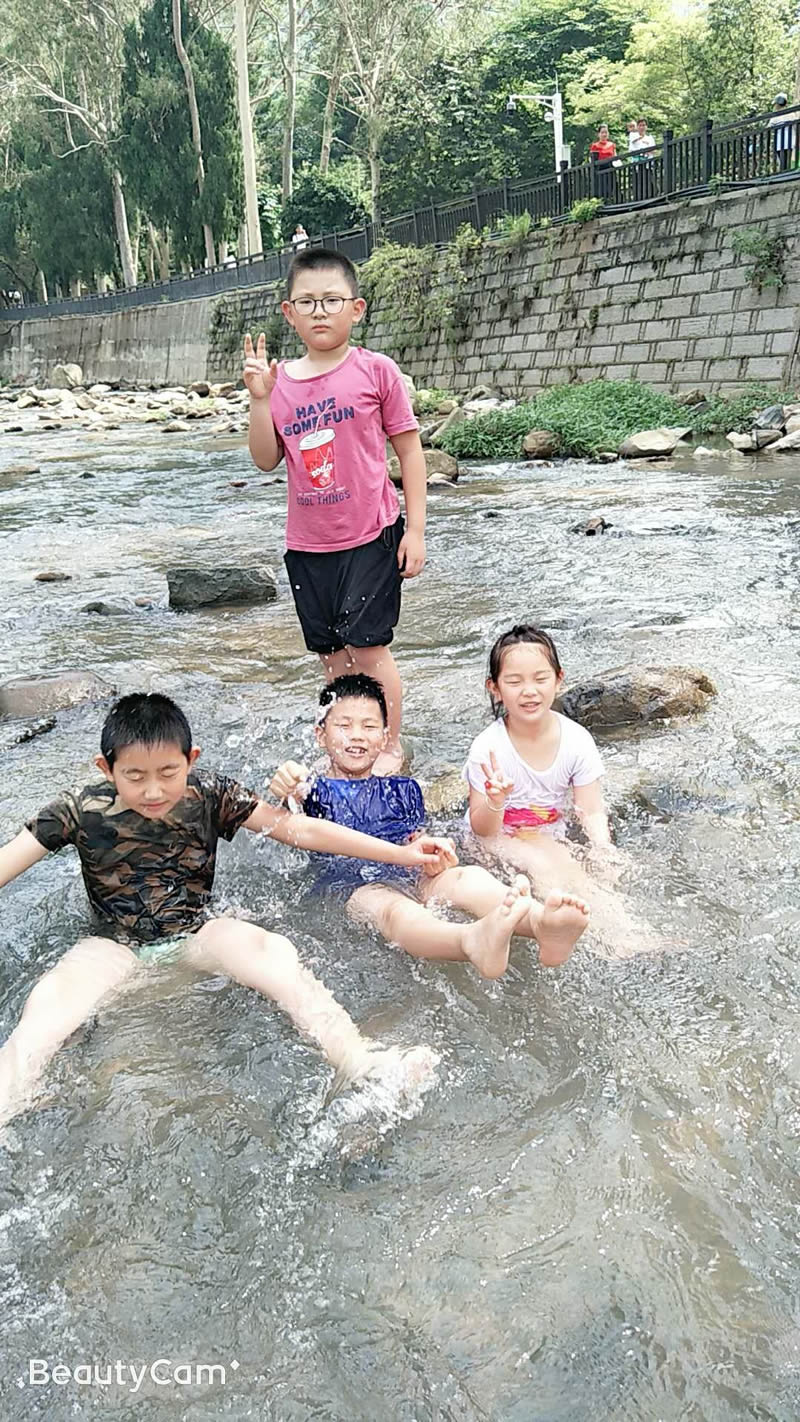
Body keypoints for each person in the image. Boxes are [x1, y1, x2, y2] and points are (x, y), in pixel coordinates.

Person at [0, 693, 456, 1128]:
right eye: (135, 776)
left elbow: (299, 829)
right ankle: (9, 1098)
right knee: (51, 999)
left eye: (168, 772)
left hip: (195, 937)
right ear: (106, 768)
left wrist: (402, 854)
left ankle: (358, 1060)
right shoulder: (79, 808)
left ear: (191, 760)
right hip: (115, 947)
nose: (154, 790)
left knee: (268, 948)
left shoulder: (209, 793)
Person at [269, 673, 590, 979]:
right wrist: (287, 784)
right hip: (352, 887)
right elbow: (290, 812)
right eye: (344, 725)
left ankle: (541, 923)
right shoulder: (313, 789)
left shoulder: (403, 789)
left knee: (466, 877)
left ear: (384, 738)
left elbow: (416, 841)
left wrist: (436, 858)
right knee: (395, 911)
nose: (356, 735)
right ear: (321, 735)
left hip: (409, 873)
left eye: (369, 726)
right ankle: (471, 940)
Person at [243, 247, 427, 774]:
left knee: (368, 650)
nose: (319, 311)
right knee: (332, 656)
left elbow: (410, 451)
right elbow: (264, 459)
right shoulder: (277, 381)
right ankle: (347, 746)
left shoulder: (377, 371)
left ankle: (388, 746)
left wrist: (415, 530)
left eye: (332, 300)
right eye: (307, 302)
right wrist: (259, 399)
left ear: (357, 308)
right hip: (307, 544)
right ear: (289, 312)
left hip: (371, 534)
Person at [464, 626, 657, 958]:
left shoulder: (576, 740)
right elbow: (482, 829)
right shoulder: (487, 748)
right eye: (514, 682)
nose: (529, 691)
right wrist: (496, 801)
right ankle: (613, 938)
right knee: (550, 865)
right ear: (494, 689)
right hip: (496, 837)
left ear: (559, 680)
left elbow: (590, 808)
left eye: (540, 679)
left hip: (547, 831)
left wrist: (601, 846)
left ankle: (623, 928)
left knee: (600, 871)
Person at [768, 94, 794, 172]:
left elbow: (768, 127)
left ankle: (784, 173)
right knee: (787, 160)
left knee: (782, 161)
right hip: (790, 142)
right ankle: (787, 172)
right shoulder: (790, 114)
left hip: (780, 143)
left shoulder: (775, 116)